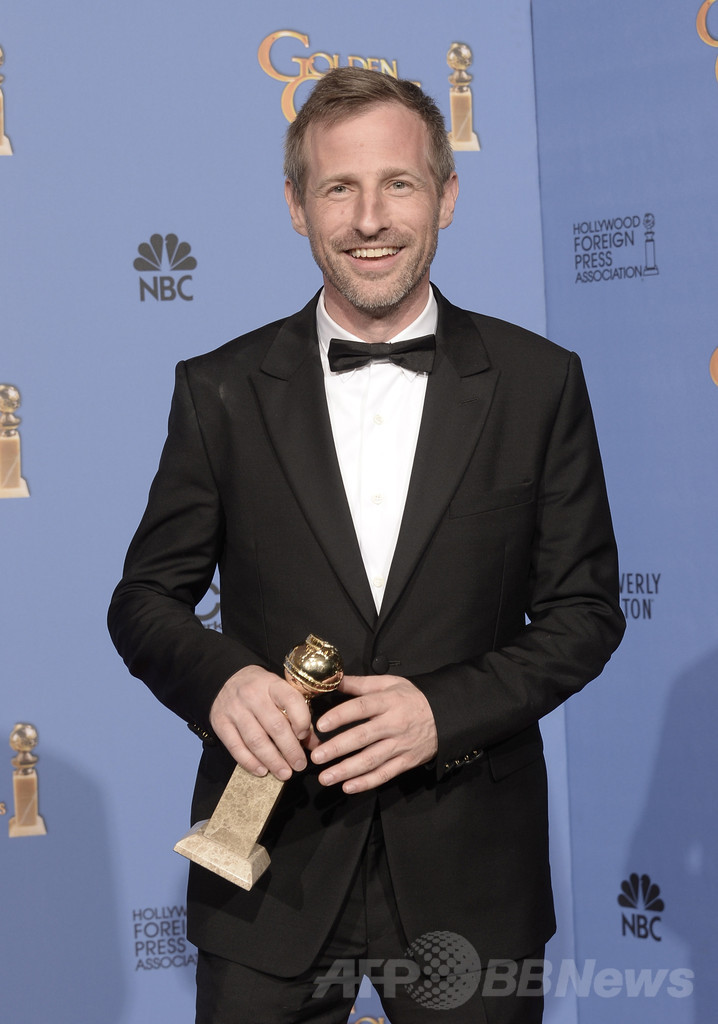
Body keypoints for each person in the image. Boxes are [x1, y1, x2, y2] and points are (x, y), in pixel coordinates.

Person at [108, 67, 624, 1024]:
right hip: (269, 859)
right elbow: (143, 601)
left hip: (471, 865)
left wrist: (442, 713)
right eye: (338, 187)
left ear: (447, 197)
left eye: (399, 184)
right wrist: (223, 682)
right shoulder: (219, 389)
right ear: (297, 206)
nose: (370, 219)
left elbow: (584, 613)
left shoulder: (538, 382)